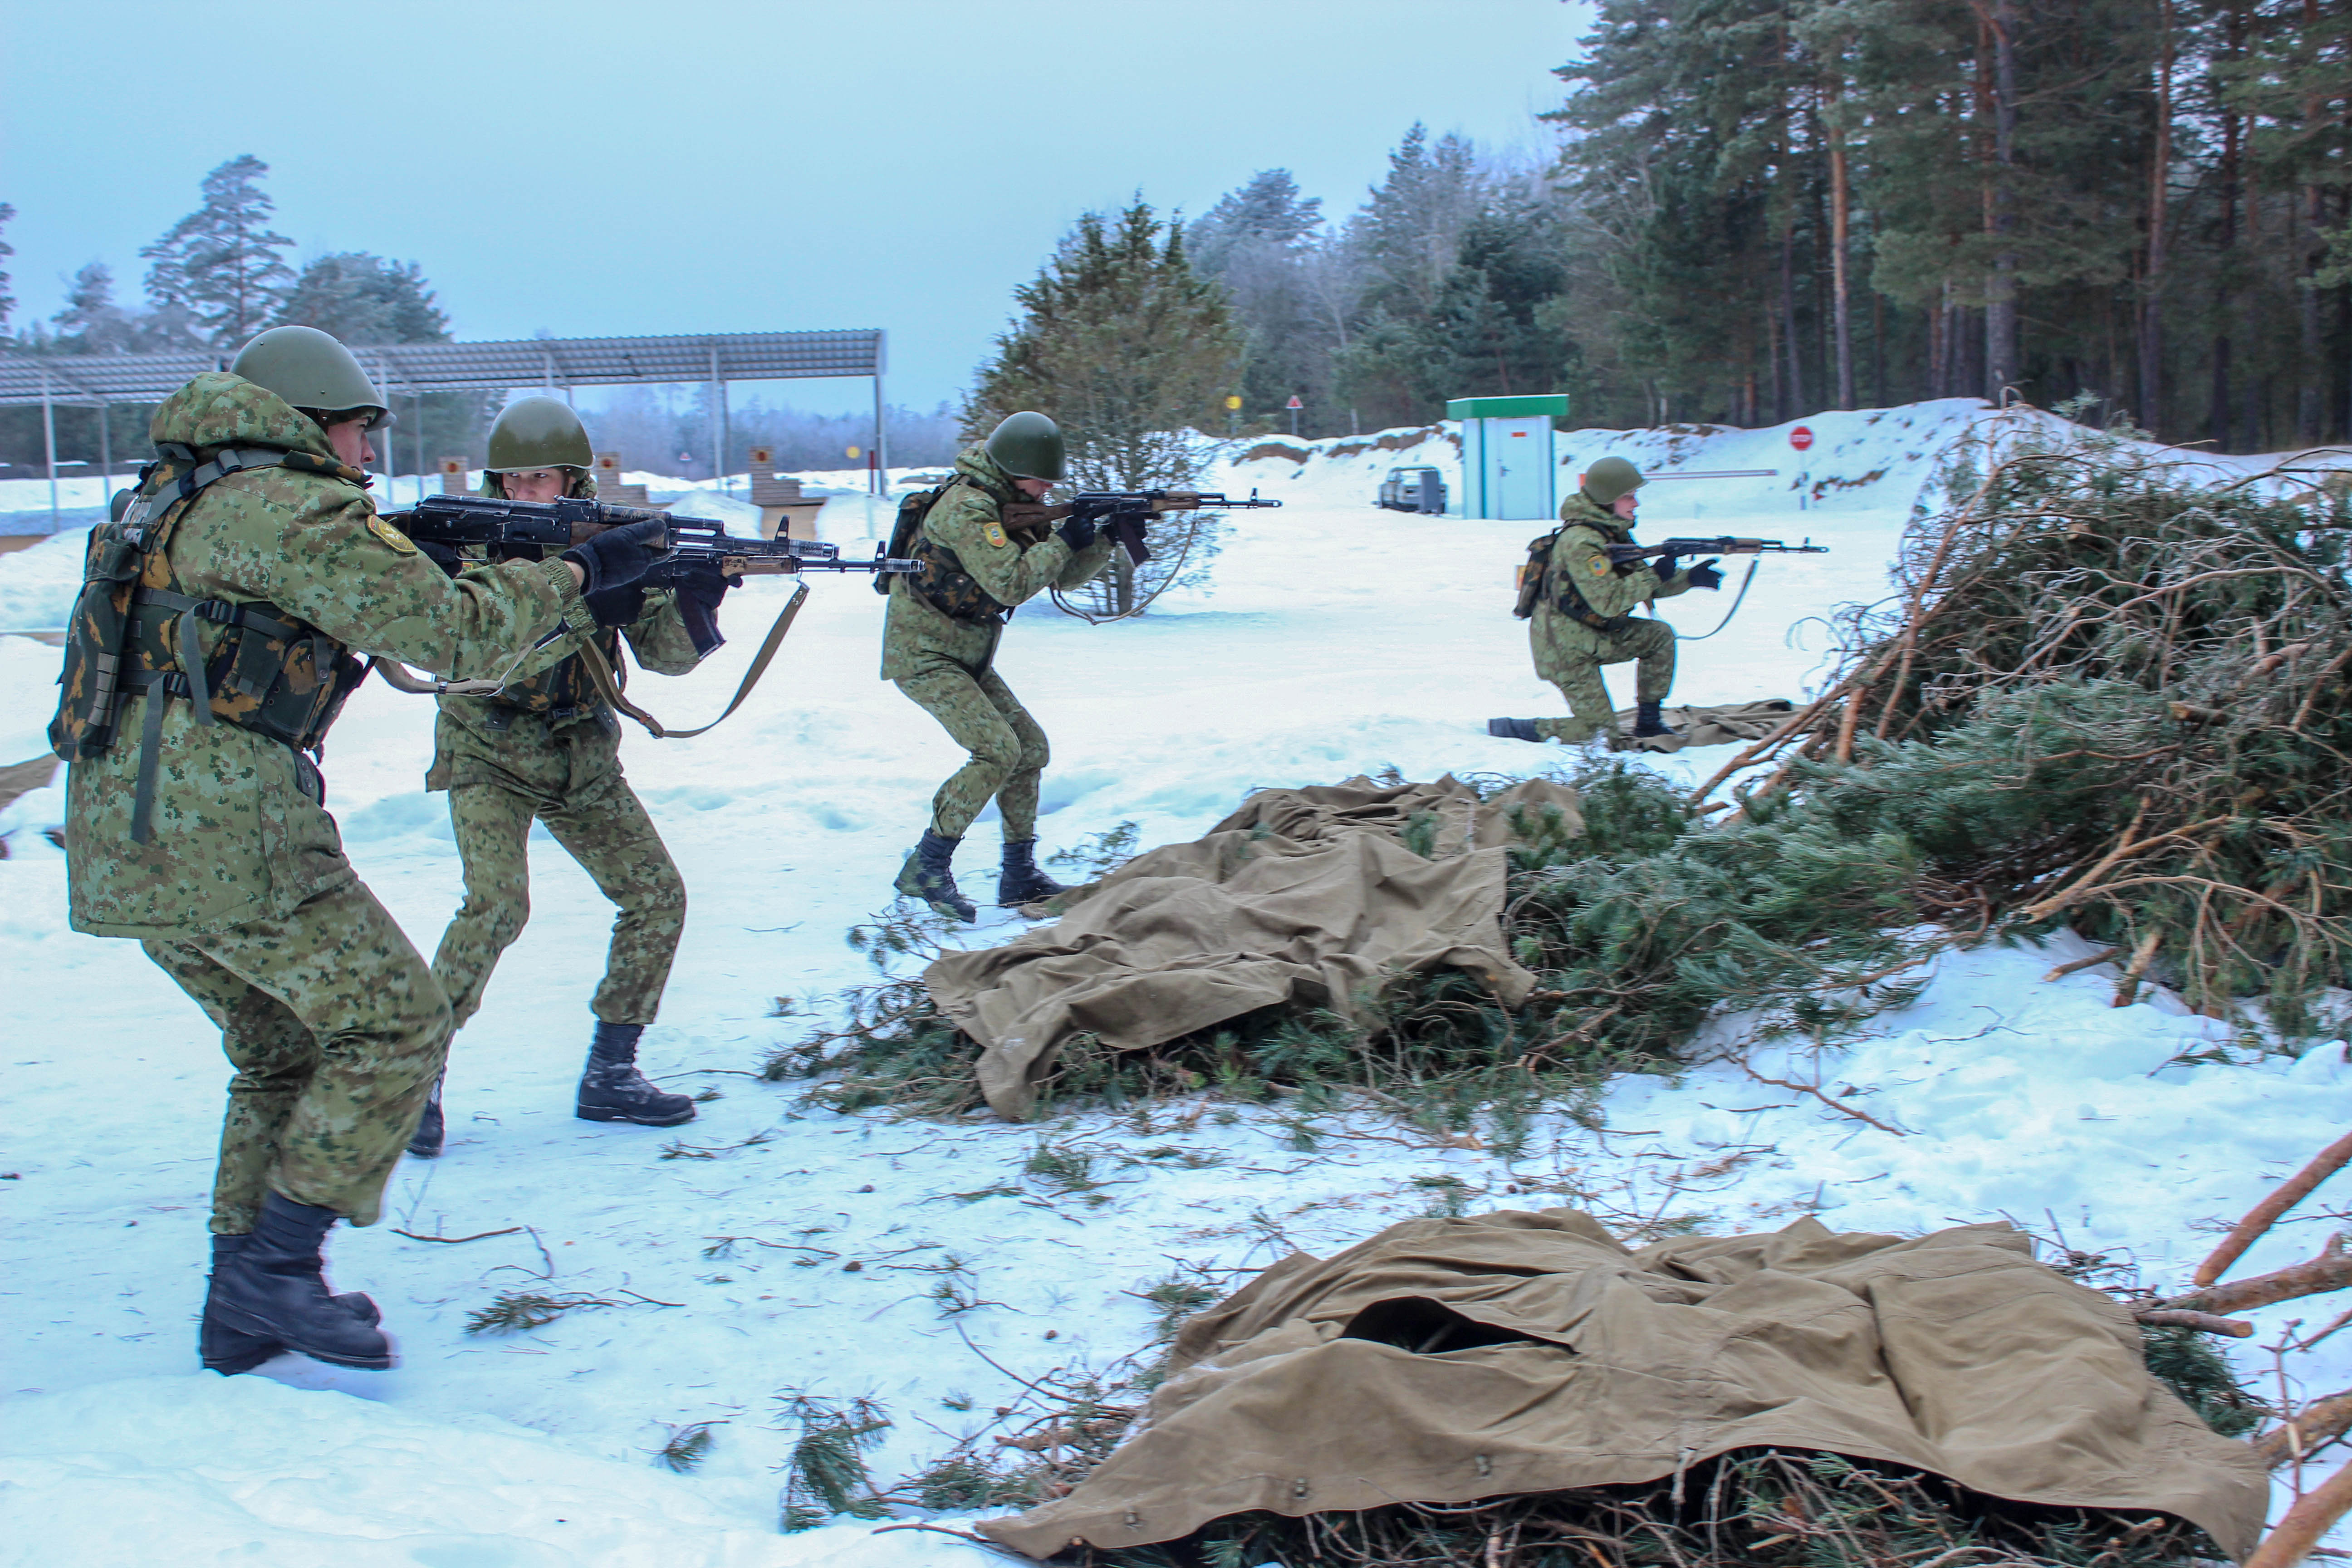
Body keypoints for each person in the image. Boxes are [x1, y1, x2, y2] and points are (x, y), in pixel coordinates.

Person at [49, 326, 663, 1372]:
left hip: (126, 839)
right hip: (229, 837)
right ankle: (278, 1269)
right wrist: (574, 574)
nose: (366, 454)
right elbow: (457, 637)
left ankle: (238, 1307)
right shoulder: (283, 504)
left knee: (283, 1051)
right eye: (354, 428)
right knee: (395, 1022)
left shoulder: (172, 496)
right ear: (308, 418)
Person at [407, 397, 726, 1158]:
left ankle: (611, 1072)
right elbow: (466, 651)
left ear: (573, 479)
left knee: (655, 897)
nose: (524, 494)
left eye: (540, 478)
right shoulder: (465, 546)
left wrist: (691, 595)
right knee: (495, 906)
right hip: (488, 752)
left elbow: (666, 659)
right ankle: (411, 1079)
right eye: (511, 481)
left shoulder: (607, 539)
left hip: (580, 754)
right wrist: (580, 592)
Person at [882, 411, 1115, 920]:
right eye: (1042, 480)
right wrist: (1062, 540)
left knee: (1029, 748)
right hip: (923, 654)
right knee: (996, 751)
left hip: (964, 655)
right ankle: (927, 865)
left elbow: (1062, 577)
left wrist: (1105, 539)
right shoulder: (968, 509)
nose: (1048, 488)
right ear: (1013, 468)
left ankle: (1018, 874)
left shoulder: (1006, 503)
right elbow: (1011, 583)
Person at [1488, 456, 1722, 746]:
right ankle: (1520, 730)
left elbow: (1642, 585)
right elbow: (1608, 602)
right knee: (1600, 733)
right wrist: (1654, 576)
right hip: (1565, 650)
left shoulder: (1613, 533)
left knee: (1659, 637)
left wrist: (1689, 579)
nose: (1635, 504)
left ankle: (1649, 723)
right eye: (1629, 496)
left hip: (1596, 634)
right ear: (1607, 498)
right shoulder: (1581, 542)